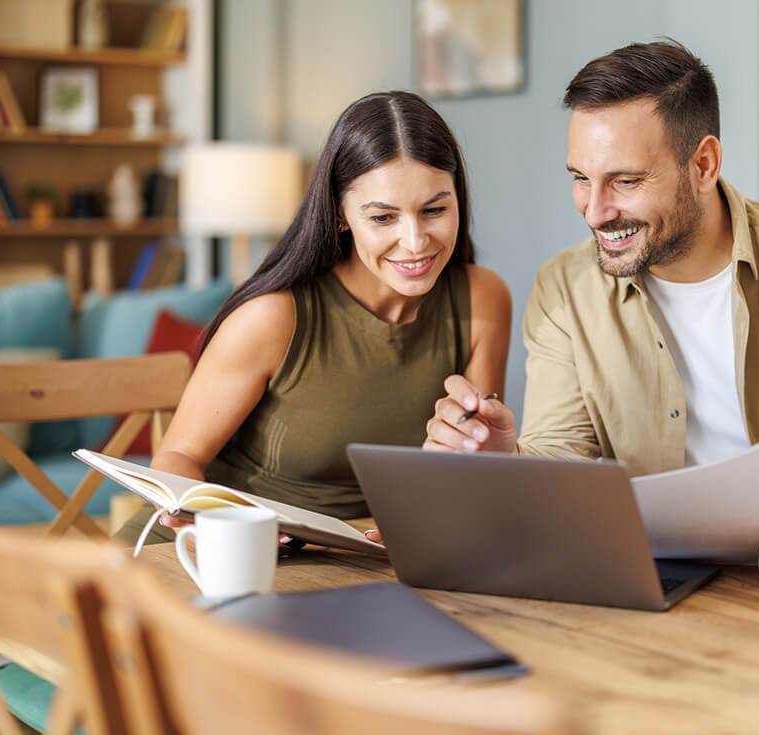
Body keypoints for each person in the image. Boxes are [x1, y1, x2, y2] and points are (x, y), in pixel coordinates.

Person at [419, 40, 759, 547]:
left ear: (703, 164)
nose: (594, 210)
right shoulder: (563, 290)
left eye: (626, 181)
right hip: (648, 585)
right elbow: (564, 459)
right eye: (580, 178)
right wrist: (503, 460)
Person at [118, 91, 511, 544]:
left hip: (360, 560)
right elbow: (177, 458)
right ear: (341, 215)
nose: (416, 241)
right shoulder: (272, 318)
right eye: (383, 217)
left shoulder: (483, 298)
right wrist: (216, 519)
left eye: (435, 210)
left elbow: (472, 468)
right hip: (219, 551)